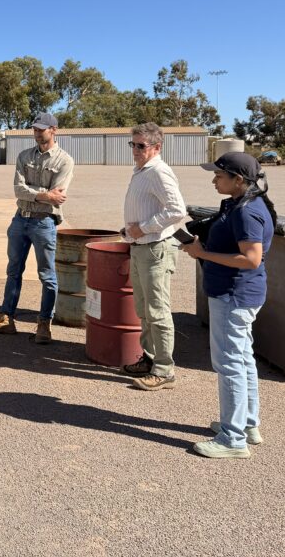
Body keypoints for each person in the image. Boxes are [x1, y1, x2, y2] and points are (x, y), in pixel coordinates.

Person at [181, 152, 276, 459]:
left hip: (233, 295)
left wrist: (202, 254)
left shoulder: (247, 211)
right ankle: (247, 424)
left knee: (230, 363)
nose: (214, 179)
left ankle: (232, 439)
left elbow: (251, 258)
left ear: (238, 180)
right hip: (239, 294)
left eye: (219, 176)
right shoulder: (240, 204)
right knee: (243, 359)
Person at [0, 112, 74, 344]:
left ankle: (44, 324)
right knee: (13, 271)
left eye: (42, 129)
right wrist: (43, 194)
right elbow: (18, 190)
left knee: (47, 276)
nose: (37, 133)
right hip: (20, 220)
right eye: (35, 129)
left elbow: (57, 196)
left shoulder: (64, 161)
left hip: (44, 223)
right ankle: (6, 319)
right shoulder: (24, 156)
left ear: (54, 130)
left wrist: (38, 194)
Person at [121, 123, 187, 390]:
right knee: (144, 310)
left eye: (141, 146)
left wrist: (143, 228)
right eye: (133, 145)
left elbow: (177, 210)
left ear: (157, 147)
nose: (135, 150)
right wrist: (131, 231)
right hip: (140, 247)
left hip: (155, 248)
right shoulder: (142, 170)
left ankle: (164, 370)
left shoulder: (159, 171)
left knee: (157, 311)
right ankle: (149, 359)